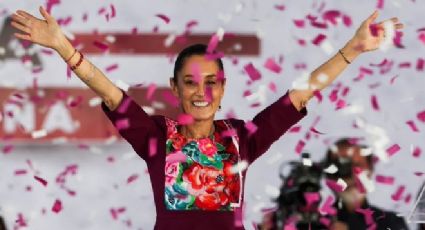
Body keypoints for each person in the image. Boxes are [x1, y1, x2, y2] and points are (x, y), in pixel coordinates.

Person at [10, 5, 403, 230]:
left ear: (224, 87)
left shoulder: (242, 139)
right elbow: (109, 90)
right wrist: (63, 46)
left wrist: (351, 49)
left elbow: (298, 94)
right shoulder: (155, 137)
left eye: (211, 82)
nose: (202, 92)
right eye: (191, 83)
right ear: (176, 87)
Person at [323, 138, 408, 230]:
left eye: (358, 165)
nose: (351, 175)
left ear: (370, 171)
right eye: (341, 167)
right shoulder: (314, 222)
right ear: (329, 174)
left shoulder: (392, 222)